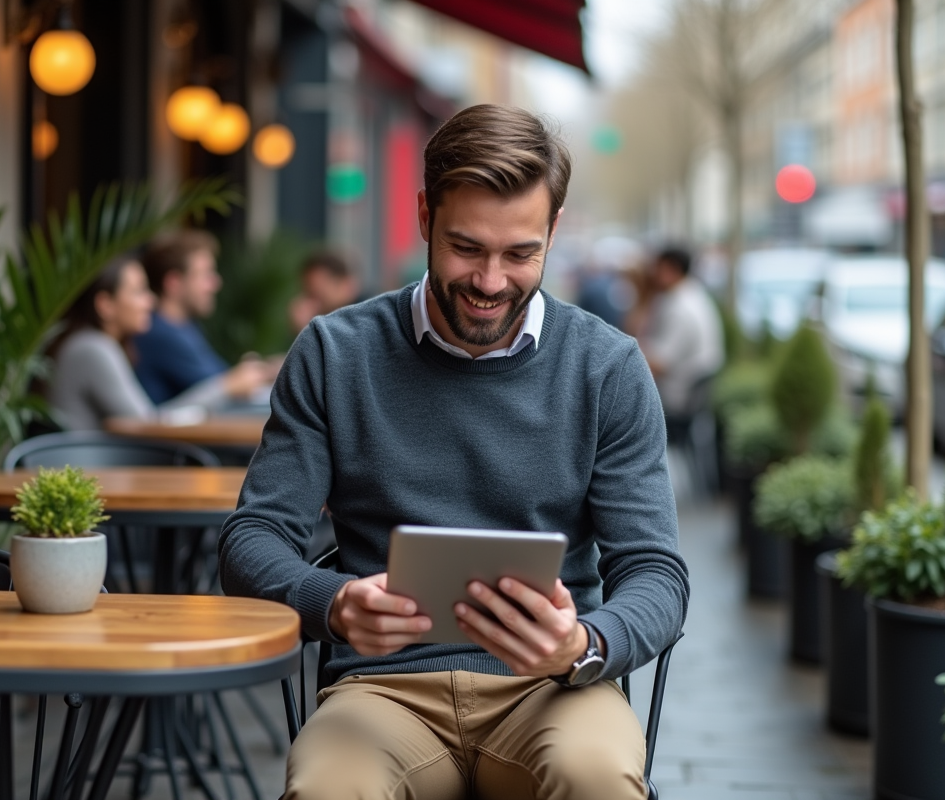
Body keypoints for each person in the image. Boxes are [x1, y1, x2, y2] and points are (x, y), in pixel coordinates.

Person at [218, 104, 688, 799]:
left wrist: (584, 645)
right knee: (327, 789)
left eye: (520, 253)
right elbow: (250, 540)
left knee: (596, 777)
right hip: (382, 692)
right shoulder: (334, 352)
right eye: (467, 247)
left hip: (552, 689)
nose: (491, 282)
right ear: (423, 217)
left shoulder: (607, 367)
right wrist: (335, 603)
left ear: (554, 231)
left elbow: (656, 573)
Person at [47, 256, 227, 430]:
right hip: (84, 461)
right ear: (105, 304)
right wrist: (225, 387)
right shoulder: (93, 349)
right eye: (138, 291)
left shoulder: (96, 344)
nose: (151, 301)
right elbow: (148, 424)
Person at [133, 229, 278, 405]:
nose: (216, 283)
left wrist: (262, 371)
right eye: (206, 274)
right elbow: (222, 388)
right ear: (174, 283)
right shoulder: (158, 333)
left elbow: (224, 379)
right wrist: (243, 378)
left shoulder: (186, 327)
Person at [636, 246, 725, 419]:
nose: (652, 274)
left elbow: (660, 364)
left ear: (671, 269)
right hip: (693, 390)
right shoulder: (694, 293)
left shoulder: (679, 307)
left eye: (657, 268)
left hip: (677, 394)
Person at [287, 249, 363, 333]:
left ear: (344, 283)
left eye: (318, 293)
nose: (312, 302)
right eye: (309, 293)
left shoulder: (365, 316)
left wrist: (306, 330)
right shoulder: (330, 321)